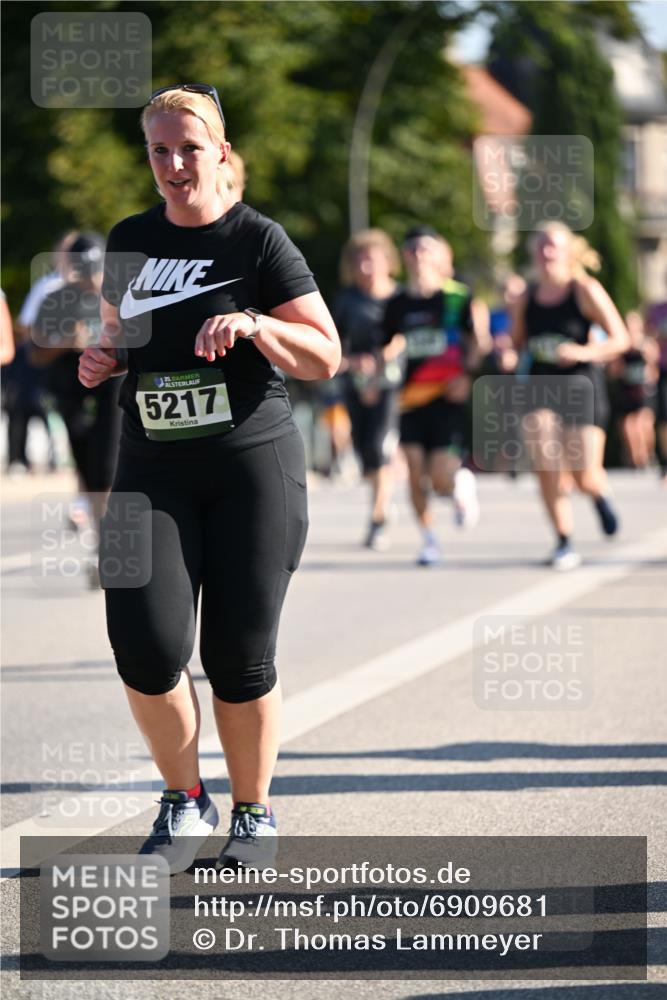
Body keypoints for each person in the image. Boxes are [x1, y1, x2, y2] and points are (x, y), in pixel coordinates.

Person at [78, 84, 340, 874]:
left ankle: (252, 814)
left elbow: (325, 355)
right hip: (151, 467)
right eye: (158, 150)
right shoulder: (128, 240)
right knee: (145, 647)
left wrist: (259, 324)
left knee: (238, 656)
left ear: (220, 152)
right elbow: (127, 339)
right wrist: (106, 357)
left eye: (188, 148)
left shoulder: (258, 242)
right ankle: (183, 797)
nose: (172, 164)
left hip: (249, 469)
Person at [506, 221, 629, 570]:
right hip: (541, 387)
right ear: (533, 252)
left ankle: (599, 495)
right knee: (545, 464)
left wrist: (582, 353)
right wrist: (508, 350)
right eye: (541, 245)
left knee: (583, 473)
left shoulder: (585, 290)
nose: (547, 252)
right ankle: (563, 540)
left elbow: (621, 339)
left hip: (580, 386)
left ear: (568, 252)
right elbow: (516, 344)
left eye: (554, 246)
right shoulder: (526, 297)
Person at [381, 226, 489, 566]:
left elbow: (477, 344)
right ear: (403, 257)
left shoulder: (458, 297)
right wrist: (376, 368)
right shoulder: (397, 303)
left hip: (447, 397)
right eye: (411, 249)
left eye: (425, 248)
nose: (418, 255)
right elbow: (387, 343)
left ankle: (460, 485)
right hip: (410, 399)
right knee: (414, 471)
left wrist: (467, 375)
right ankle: (429, 540)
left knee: (440, 477)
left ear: (439, 255)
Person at [31, 233, 122, 578]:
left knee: (109, 468)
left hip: (113, 393)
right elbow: (36, 355)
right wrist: (65, 342)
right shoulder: (56, 300)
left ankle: (108, 548)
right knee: (88, 470)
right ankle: (102, 543)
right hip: (72, 394)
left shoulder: (118, 298)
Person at [333, 229, 401, 550]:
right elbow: (332, 345)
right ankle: (383, 500)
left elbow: (404, 338)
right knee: (365, 455)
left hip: (394, 384)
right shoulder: (347, 301)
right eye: (359, 260)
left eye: (371, 259)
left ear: (387, 261)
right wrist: (351, 363)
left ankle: (378, 518)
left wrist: (378, 362)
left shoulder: (399, 298)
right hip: (355, 384)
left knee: (380, 447)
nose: (365, 267)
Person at [609, 310, 658, 469]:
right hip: (626, 388)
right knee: (628, 426)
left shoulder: (648, 344)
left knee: (644, 424)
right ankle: (635, 458)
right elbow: (613, 370)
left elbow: (653, 367)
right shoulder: (621, 345)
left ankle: (647, 453)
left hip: (643, 389)